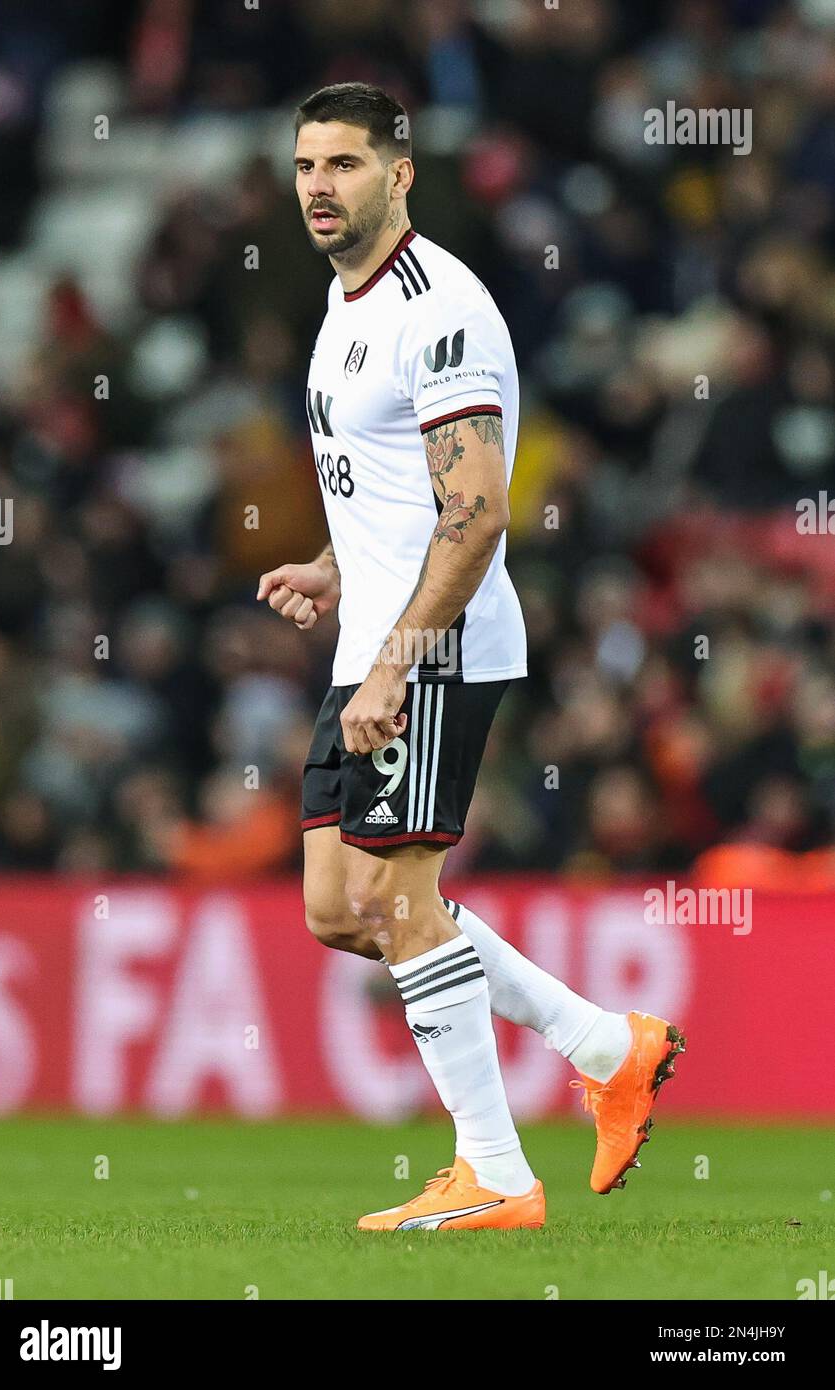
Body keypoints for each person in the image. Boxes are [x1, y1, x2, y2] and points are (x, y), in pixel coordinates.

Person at [258, 82, 684, 1231]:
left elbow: (479, 512)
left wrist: (397, 659)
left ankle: (494, 1173)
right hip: (375, 634)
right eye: (305, 166)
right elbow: (404, 495)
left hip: (432, 649)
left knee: (396, 901)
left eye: (343, 165)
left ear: (401, 174)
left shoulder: (437, 306)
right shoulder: (343, 305)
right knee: (340, 906)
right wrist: (336, 568)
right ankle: (607, 1043)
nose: (318, 187)